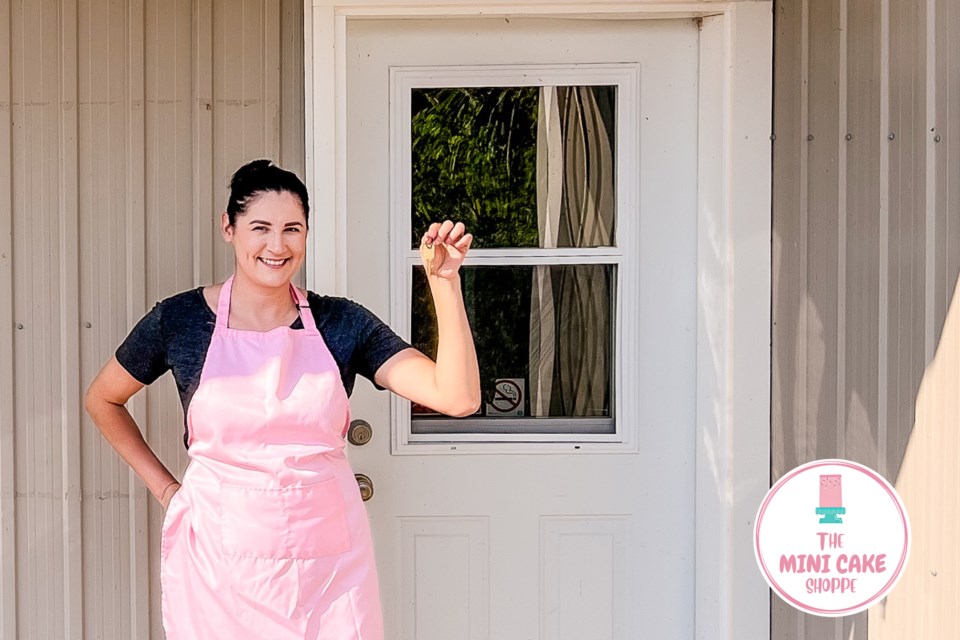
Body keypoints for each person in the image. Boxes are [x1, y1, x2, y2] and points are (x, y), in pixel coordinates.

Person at [84, 159, 480, 639]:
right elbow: (102, 400)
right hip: (219, 566)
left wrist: (445, 284)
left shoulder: (342, 323)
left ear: (308, 234)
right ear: (228, 229)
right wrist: (168, 490)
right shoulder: (180, 320)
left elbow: (457, 397)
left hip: (328, 571)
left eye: (292, 228)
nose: (277, 245)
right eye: (260, 228)